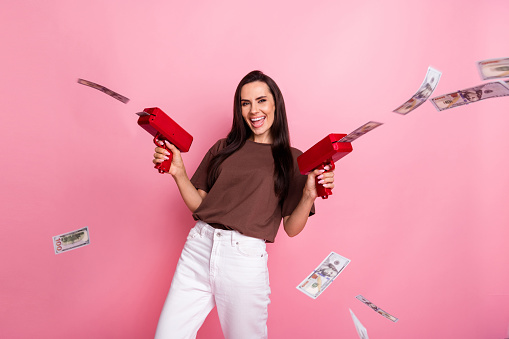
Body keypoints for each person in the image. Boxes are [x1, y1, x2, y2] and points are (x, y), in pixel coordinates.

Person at [152, 70, 335, 339]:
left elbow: (292, 228)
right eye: (245, 103)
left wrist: (309, 194)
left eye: (261, 101)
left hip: (243, 260)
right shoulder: (223, 148)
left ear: (276, 105)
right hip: (198, 249)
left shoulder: (292, 159)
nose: (253, 110)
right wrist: (178, 172)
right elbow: (200, 206)